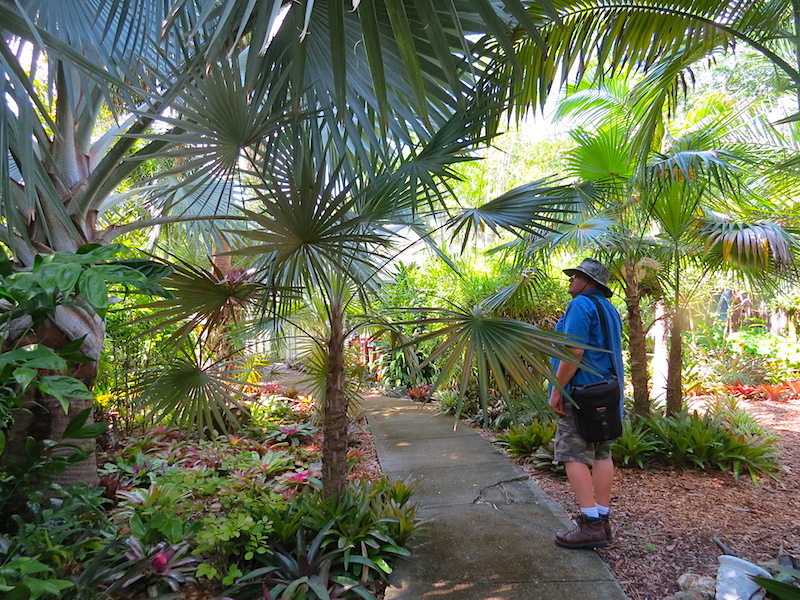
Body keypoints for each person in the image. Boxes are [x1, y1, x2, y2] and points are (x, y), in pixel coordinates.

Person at [548, 258, 624, 549]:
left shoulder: (580, 305)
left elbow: (575, 350)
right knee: (603, 453)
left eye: (575, 276)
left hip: (581, 393)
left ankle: (591, 524)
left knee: (572, 455)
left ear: (588, 281)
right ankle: (602, 520)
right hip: (607, 390)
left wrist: (558, 390)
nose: (570, 281)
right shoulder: (609, 308)